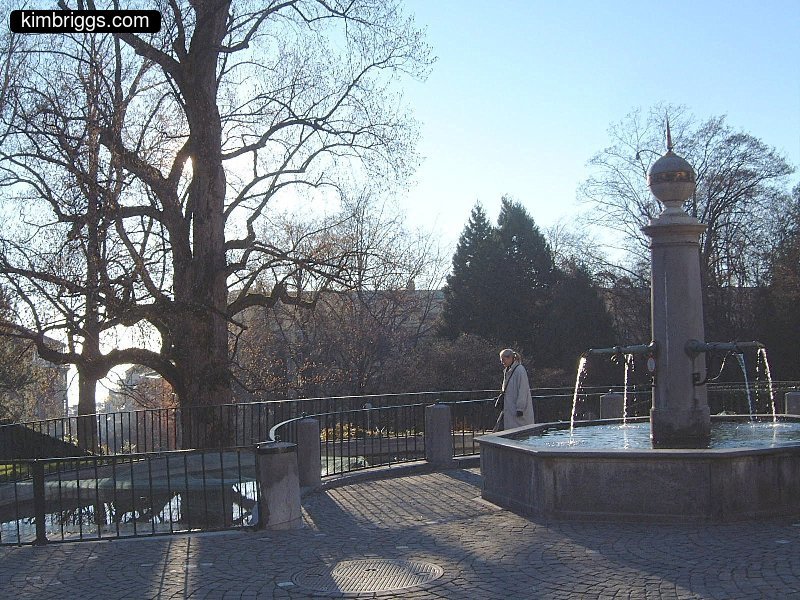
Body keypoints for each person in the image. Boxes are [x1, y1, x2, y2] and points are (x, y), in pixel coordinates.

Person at [493, 348, 535, 431]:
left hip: (516, 409)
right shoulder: (508, 370)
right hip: (510, 408)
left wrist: (520, 408)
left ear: (510, 358)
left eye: (503, 359)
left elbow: (523, 390)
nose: (502, 362)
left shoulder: (519, 370)